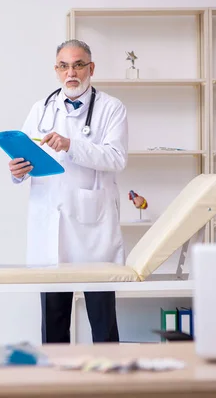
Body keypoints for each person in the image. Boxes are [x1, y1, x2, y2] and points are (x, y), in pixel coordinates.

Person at [8, 39, 129, 344]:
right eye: (64, 66)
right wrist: (17, 171)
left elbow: (116, 158)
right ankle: (55, 384)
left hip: (93, 228)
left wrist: (72, 145)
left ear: (91, 68)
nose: (71, 72)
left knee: (103, 322)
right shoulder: (41, 108)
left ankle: (110, 385)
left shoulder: (111, 108)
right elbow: (25, 154)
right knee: (53, 323)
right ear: (56, 70)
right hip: (49, 226)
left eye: (78, 65)